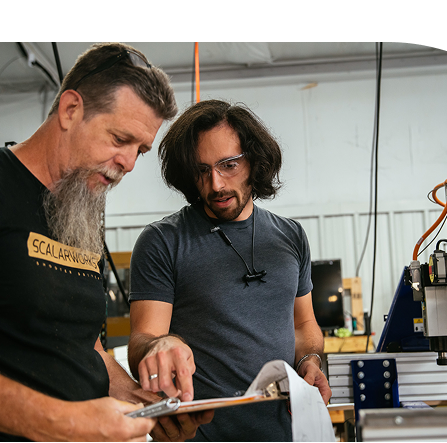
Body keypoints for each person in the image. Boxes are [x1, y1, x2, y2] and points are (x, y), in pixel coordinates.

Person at [0, 42, 212, 441]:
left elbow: (84, 348)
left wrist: (143, 407)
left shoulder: (78, 209)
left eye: (141, 150)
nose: (129, 163)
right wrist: (60, 420)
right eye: (120, 138)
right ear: (70, 110)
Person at [127, 99, 332, 441]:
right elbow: (143, 339)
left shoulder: (291, 236)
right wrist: (156, 348)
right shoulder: (162, 241)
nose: (216, 184)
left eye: (228, 165)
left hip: (288, 432)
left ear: (255, 162)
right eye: (201, 170)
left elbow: (304, 324)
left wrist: (310, 360)